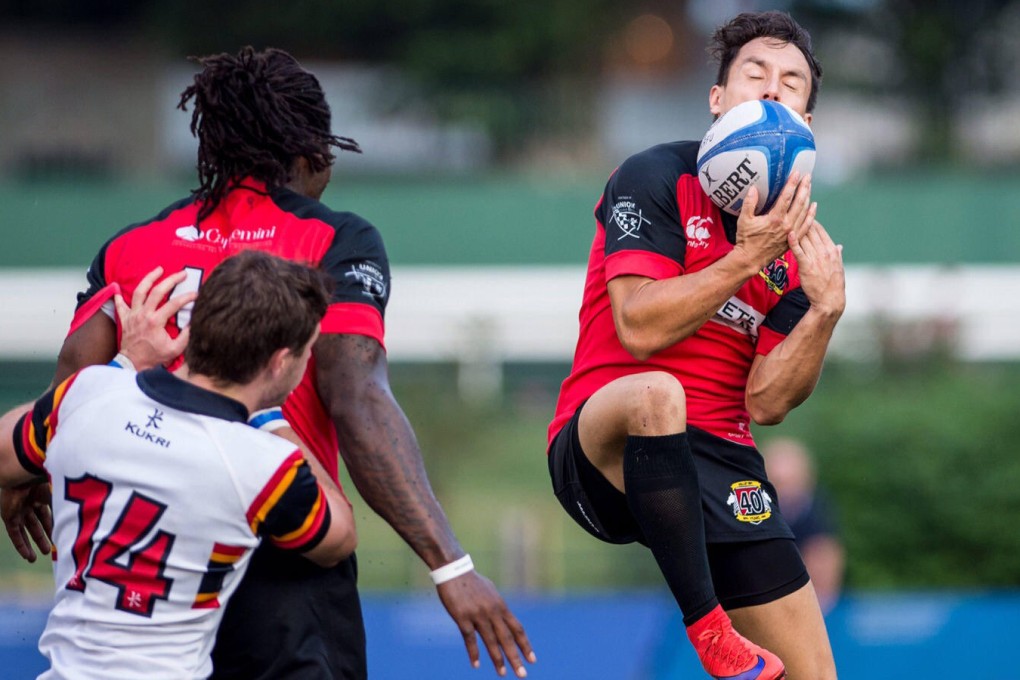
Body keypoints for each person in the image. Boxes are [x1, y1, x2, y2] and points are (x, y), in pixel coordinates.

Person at [1, 47, 534, 680]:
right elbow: (354, 395)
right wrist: (451, 565)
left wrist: (26, 474)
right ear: (309, 150)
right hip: (284, 546)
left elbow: (74, 376)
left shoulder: (132, 245)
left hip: (153, 568)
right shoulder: (333, 240)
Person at [547, 11, 843, 680]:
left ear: (807, 123)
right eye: (755, 75)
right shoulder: (654, 175)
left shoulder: (798, 256)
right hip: (607, 442)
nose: (771, 92)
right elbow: (640, 328)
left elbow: (768, 403)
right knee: (660, 393)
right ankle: (707, 627)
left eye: (791, 84)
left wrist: (824, 311)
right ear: (717, 100)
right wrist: (746, 258)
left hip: (721, 464)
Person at [0, 251, 358, 678]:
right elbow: (340, 537)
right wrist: (269, 415)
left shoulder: (87, 394)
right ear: (279, 362)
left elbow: (5, 455)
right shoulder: (265, 465)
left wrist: (125, 364)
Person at [762, 437, 845, 614]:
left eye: (791, 482)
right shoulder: (750, 515)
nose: (785, 491)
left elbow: (825, 567)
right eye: (777, 482)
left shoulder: (817, 515)